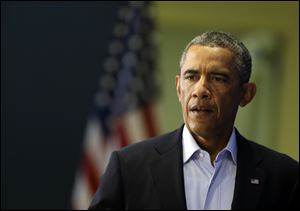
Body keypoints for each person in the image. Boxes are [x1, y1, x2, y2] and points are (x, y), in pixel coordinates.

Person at [88, 31, 299, 210]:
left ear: (246, 94)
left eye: (218, 78)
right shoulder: (129, 167)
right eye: (191, 76)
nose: (200, 90)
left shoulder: (284, 177)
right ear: (179, 87)